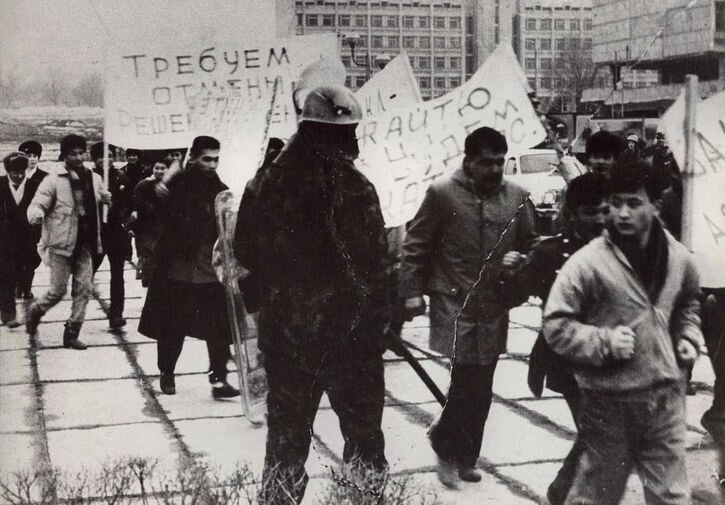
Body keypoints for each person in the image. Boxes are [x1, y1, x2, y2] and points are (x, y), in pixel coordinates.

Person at [234, 86, 392, 504]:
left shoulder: (265, 184)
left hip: (291, 340)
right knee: (363, 444)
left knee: (287, 446)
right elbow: (377, 261)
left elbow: (245, 251)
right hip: (349, 342)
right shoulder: (357, 188)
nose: (352, 142)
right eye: (347, 133)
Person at [543, 160, 702, 505]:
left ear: (655, 206)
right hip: (609, 403)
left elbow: (689, 302)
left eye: (633, 203)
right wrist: (603, 341)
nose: (622, 214)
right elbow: (556, 324)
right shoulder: (587, 263)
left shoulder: (679, 258)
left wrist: (688, 338)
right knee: (595, 496)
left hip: (665, 399)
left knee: (671, 497)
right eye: (616, 204)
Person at [400, 126, 538, 488]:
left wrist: (521, 259)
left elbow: (533, 244)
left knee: (483, 384)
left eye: (499, 162)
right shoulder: (442, 194)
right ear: (468, 162)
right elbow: (416, 245)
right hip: (453, 302)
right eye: (485, 163)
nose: (494, 170)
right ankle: (448, 452)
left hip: (494, 305)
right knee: (465, 381)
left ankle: (466, 456)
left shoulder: (519, 197)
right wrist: (411, 291)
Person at [510, 173, 610, 505]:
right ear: (572, 213)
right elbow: (516, 292)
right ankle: (564, 492)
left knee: (599, 433)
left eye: (602, 210)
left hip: (609, 356)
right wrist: (509, 271)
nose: (597, 219)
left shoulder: (621, 247)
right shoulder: (551, 252)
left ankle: (564, 489)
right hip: (567, 360)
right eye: (589, 212)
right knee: (597, 433)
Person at [138, 136, 239, 399]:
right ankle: (167, 372)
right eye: (207, 158)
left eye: (216, 159)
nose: (213, 164)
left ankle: (218, 380)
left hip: (208, 270)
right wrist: (165, 180)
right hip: (178, 269)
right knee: (172, 326)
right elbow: (147, 206)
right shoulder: (175, 185)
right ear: (192, 157)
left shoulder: (221, 190)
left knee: (218, 330)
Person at [25, 134, 111, 349]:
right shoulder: (53, 180)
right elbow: (38, 204)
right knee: (57, 291)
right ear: (64, 156)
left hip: (85, 244)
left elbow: (101, 197)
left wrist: (106, 198)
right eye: (73, 153)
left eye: (82, 153)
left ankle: (72, 333)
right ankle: (35, 312)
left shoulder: (95, 178)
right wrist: (35, 214)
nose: (79, 157)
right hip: (60, 245)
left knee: (84, 289)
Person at [89, 142, 133, 329]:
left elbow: (131, 204)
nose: (105, 160)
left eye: (109, 156)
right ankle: (77, 314)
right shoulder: (87, 179)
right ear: (94, 159)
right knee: (85, 275)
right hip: (95, 234)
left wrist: (126, 221)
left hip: (117, 235)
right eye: (101, 156)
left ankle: (116, 314)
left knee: (117, 276)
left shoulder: (123, 178)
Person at [1, 153, 32, 327]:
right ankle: (8, 314)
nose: (20, 176)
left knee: (21, 273)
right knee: (5, 274)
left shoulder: (34, 186)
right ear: (8, 171)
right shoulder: (0, 185)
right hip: (2, 240)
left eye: (22, 172)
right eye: (15, 173)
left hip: (25, 240)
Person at [16, 140, 47, 299]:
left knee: (33, 257)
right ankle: (20, 286)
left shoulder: (45, 178)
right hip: (15, 225)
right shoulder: (14, 176)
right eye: (29, 155)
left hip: (36, 226)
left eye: (35, 155)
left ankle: (25, 287)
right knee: (16, 256)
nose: (32, 159)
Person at [132, 157, 169, 287]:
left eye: (162, 168)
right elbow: (137, 207)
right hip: (147, 229)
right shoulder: (143, 185)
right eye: (156, 168)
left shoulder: (173, 185)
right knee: (149, 263)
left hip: (165, 228)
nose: (159, 171)